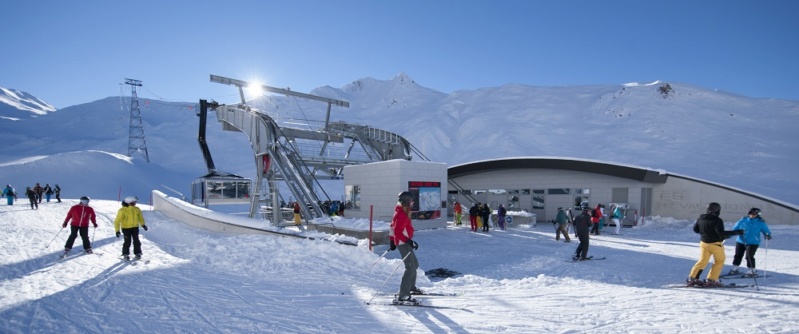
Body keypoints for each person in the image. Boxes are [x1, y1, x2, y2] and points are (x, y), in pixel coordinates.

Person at [686, 202, 744, 287]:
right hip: (715, 244)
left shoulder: (701, 218)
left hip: (704, 243)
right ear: (717, 210)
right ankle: (711, 279)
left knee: (702, 261)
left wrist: (706, 232)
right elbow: (721, 233)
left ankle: (693, 278)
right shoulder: (717, 220)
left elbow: (696, 230)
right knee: (719, 261)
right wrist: (737, 232)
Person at [389, 191, 421, 304]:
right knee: (410, 267)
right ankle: (403, 295)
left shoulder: (401, 211)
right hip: (403, 244)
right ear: (407, 202)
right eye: (411, 201)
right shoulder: (401, 214)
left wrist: (392, 241)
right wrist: (408, 241)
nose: (412, 203)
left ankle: (410, 287)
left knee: (414, 265)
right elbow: (397, 231)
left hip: (404, 242)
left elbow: (392, 227)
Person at [728, 208, 772, 276]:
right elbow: (735, 230)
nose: (752, 215)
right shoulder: (742, 220)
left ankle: (752, 270)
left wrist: (767, 235)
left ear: (757, 214)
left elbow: (766, 230)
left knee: (749, 256)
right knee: (738, 255)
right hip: (741, 241)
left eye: (754, 214)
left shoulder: (761, 223)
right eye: (750, 213)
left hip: (753, 242)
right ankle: (735, 268)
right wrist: (728, 235)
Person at [114, 196, 148, 260]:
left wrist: (143, 225)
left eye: (135, 202)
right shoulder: (122, 210)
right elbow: (117, 221)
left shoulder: (137, 209)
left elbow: (140, 218)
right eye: (133, 202)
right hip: (126, 228)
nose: (135, 203)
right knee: (127, 241)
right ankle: (125, 253)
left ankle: (138, 253)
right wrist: (117, 230)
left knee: (136, 241)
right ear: (129, 202)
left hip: (135, 227)